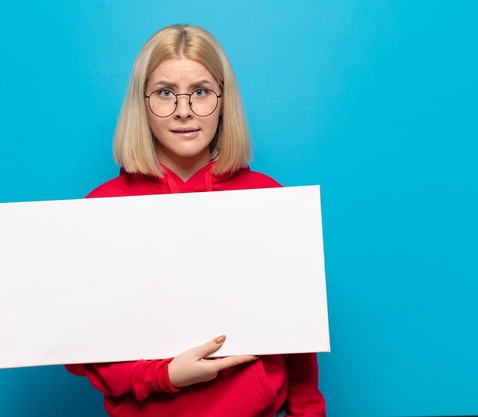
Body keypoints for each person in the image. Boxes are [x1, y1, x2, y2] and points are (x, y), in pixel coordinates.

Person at [65, 24, 326, 417]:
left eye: (201, 91)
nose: (184, 110)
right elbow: (82, 352)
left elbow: (298, 339)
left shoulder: (267, 198)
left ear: (223, 99)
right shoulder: (101, 208)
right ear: (142, 101)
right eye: (165, 93)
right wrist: (165, 375)